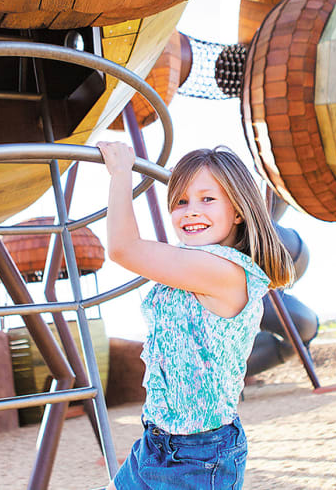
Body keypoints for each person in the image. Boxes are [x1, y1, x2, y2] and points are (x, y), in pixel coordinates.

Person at [96, 141, 295, 490]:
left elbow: (123, 249)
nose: (190, 211)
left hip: (200, 456)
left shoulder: (226, 272)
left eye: (207, 199)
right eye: (180, 202)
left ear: (237, 211)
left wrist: (121, 173)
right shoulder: (189, 268)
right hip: (155, 442)